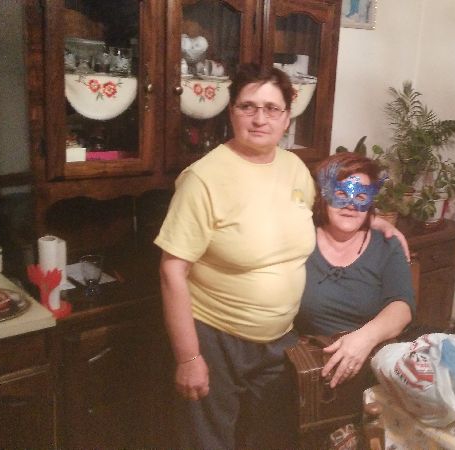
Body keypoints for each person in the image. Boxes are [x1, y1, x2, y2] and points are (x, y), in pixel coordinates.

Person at [154, 63, 406, 449]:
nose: (260, 119)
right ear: (231, 112)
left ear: (287, 117)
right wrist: (188, 358)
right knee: (209, 442)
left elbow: (323, 214)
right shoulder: (203, 179)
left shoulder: (293, 168)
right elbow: (172, 270)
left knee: (269, 439)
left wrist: (375, 222)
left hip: (281, 341)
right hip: (217, 339)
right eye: (248, 107)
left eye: (272, 108)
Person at [295, 152, 415, 389]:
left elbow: (402, 307)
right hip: (307, 367)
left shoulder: (386, 245)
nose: (351, 204)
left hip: (370, 368)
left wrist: (364, 338)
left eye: (361, 196)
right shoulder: (300, 235)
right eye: (341, 194)